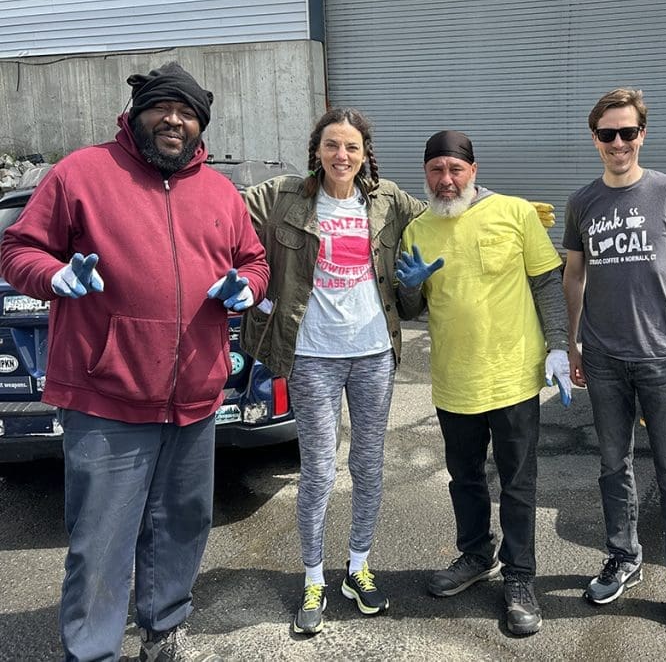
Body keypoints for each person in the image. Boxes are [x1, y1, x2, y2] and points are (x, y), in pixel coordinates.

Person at [0, 62, 269, 662]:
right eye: (163, 108)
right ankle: (93, 651)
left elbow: (254, 258)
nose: (175, 120)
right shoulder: (82, 174)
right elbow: (18, 247)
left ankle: (163, 623)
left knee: (183, 523)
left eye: (189, 112)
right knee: (101, 540)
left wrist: (248, 286)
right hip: (108, 393)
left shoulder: (221, 193)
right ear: (136, 112)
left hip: (196, 395)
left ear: (201, 125)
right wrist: (53, 276)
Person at [240, 107, 428, 634]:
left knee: (369, 466)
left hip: (373, 353)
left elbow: (443, 214)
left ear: (365, 152)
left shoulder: (389, 200)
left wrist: (503, 210)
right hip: (311, 355)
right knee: (319, 471)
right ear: (316, 150)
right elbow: (220, 212)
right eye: (331, 146)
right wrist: (249, 280)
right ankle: (314, 577)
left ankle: (359, 567)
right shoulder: (283, 195)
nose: (341, 156)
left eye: (351, 147)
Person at [396, 130, 571, 636]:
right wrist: (407, 289)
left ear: (473, 170)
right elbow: (412, 306)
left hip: (513, 376)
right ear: (425, 175)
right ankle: (476, 556)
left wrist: (558, 346)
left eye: (455, 169)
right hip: (454, 379)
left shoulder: (515, 213)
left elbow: (546, 283)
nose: (446, 180)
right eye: (436, 170)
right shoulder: (417, 229)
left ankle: (519, 578)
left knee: (518, 482)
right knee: (465, 477)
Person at [561, 88, 666, 643]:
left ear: (643, 135)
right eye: (608, 134)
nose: (619, 143)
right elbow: (573, 276)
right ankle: (622, 557)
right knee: (612, 466)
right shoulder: (582, 202)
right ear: (595, 139)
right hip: (603, 359)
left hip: (663, 358)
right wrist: (572, 343)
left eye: (628, 132)